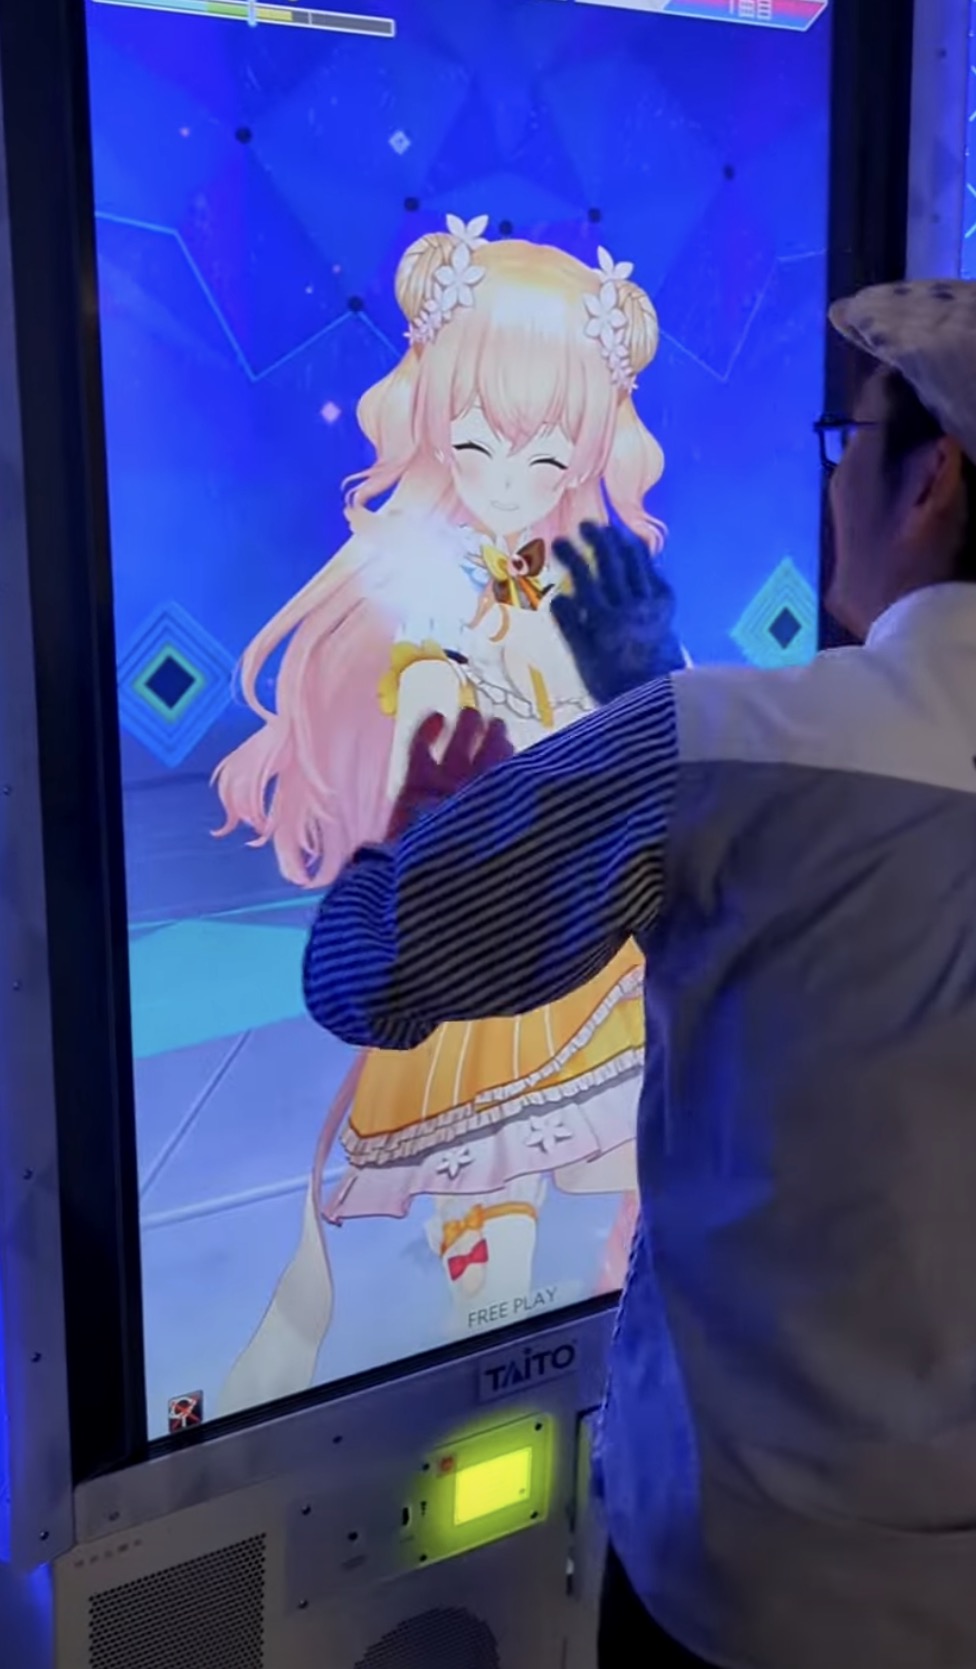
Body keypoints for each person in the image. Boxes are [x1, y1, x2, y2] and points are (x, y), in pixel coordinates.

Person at [302, 275, 976, 1669]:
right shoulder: (727, 744)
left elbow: (367, 971)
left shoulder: (717, 745)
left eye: (849, 442)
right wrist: (655, 695)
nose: (833, 481)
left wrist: (412, 840)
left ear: (935, 483)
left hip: (755, 1587)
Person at [213, 216, 681, 1414]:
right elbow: (427, 738)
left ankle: (608, 1356)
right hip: (480, 922)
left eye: (546, 459)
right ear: (429, 423)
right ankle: (499, 1376)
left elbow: (648, 743)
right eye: (477, 445)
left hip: (590, 926)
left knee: (641, 1161)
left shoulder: (586, 586)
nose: (510, 482)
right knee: (494, 1204)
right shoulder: (424, 590)